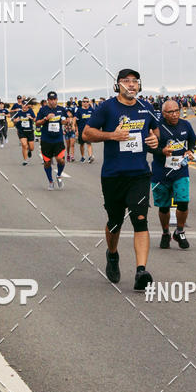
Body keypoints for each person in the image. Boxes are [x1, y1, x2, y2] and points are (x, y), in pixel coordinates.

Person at [83, 68, 159, 291]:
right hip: (113, 176)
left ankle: (141, 271)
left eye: (135, 81)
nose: (131, 85)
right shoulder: (107, 107)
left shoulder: (146, 107)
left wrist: (154, 140)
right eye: (126, 81)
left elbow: (155, 132)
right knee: (115, 223)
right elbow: (86, 133)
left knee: (140, 219)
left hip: (139, 175)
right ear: (118, 85)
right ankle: (113, 254)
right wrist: (111, 135)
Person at [151, 100, 196, 249]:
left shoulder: (185, 125)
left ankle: (180, 231)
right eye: (170, 112)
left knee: (183, 202)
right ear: (163, 113)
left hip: (180, 170)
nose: (175, 114)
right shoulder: (157, 127)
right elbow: (149, 147)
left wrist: (190, 151)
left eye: (177, 110)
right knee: (163, 207)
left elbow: (192, 140)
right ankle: (165, 233)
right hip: (161, 172)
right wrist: (161, 151)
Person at [35, 92, 68, 189]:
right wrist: (45, 118)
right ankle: (50, 181)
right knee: (47, 162)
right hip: (46, 140)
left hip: (58, 139)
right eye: (51, 99)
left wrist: (67, 121)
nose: (53, 101)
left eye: (54, 99)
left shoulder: (61, 109)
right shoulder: (43, 110)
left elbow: (64, 120)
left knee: (60, 160)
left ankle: (59, 175)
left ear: (57, 99)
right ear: (48, 100)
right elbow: (37, 123)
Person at [12, 100, 36, 164]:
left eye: (26, 105)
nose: (25, 106)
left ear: (27, 105)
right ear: (21, 105)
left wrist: (31, 118)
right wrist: (16, 120)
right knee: (24, 145)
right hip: (22, 131)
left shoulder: (30, 111)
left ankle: (29, 151)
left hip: (30, 131)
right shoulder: (19, 112)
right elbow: (13, 120)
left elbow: (35, 119)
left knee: (31, 148)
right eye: (23, 105)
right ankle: (25, 160)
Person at [76, 96, 95, 162]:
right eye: (84, 101)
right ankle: (83, 156)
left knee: (89, 143)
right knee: (81, 144)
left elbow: (95, 118)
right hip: (81, 130)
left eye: (87, 102)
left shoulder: (91, 110)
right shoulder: (79, 110)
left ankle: (90, 156)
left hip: (89, 130)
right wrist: (76, 130)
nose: (85, 103)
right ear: (82, 103)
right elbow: (76, 121)